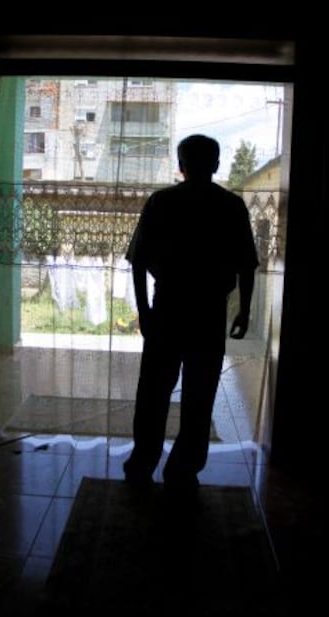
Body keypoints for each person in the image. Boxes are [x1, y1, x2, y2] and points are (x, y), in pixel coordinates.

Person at [123, 134, 259, 499]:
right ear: (216, 164)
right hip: (207, 314)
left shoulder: (162, 202)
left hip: (167, 310)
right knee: (199, 397)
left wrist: (145, 312)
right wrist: (243, 310)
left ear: (180, 165)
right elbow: (247, 265)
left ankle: (142, 464)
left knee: (152, 394)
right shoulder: (230, 206)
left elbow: (137, 262)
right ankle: (182, 470)